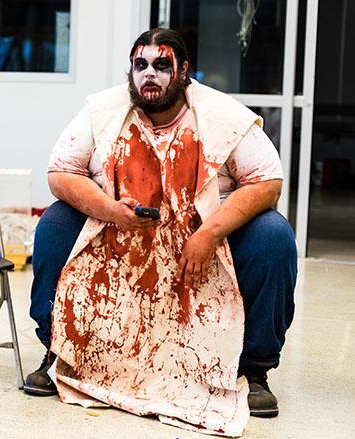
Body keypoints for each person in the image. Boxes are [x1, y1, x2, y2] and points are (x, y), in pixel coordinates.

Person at [24, 28, 296, 435]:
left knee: (273, 235)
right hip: (119, 238)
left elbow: (267, 182)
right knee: (55, 223)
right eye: (140, 66)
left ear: (184, 70)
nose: (149, 75)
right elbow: (61, 172)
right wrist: (109, 210)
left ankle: (254, 369)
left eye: (162, 65)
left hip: (202, 245)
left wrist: (209, 234)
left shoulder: (222, 115)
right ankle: (58, 351)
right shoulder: (102, 111)